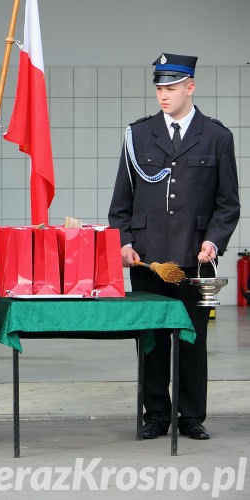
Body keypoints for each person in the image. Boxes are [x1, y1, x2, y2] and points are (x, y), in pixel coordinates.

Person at [109, 53, 239, 440]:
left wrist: (214, 242)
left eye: (170, 88)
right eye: (159, 88)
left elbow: (228, 203)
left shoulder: (217, 137)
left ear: (190, 87)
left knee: (192, 338)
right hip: (147, 258)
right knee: (151, 339)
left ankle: (191, 416)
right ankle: (156, 415)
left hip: (195, 259)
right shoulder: (138, 134)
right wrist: (125, 241)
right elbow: (121, 201)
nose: (162, 95)